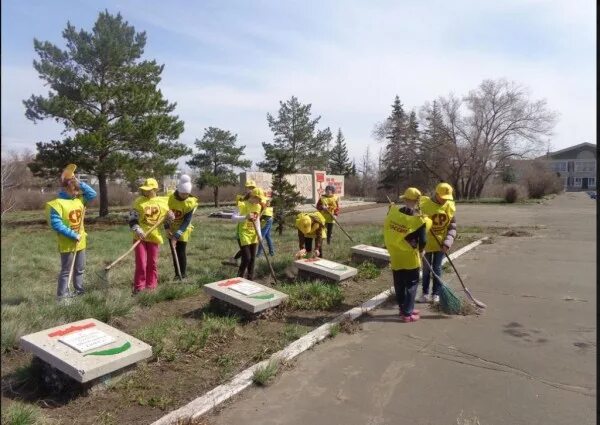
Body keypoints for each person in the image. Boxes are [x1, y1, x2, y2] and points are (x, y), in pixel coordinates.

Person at [46, 164, 97, 304]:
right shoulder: (57, 203)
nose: (76, 193)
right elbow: (57, 224)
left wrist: (78, 182)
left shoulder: (79, 200)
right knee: (66, 271)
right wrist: (73, 235)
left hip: (81, 242)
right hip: (68, 243)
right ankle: (62, 297)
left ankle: (79, 291)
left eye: (77, 191)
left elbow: (93, 194)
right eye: (74, 190)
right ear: (67, 188)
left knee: (80, 269)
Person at [383, 187, 430, 322]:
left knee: (399, 283)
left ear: (405, 199)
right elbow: (424, 240)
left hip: (395, 254)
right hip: (410, 256)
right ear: (418, 201)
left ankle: (402, 308)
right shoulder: (418, 219)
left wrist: (390, 210)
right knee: (412, 283)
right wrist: (422, 250)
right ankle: (407, 314)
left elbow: (387, 227)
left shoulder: (394, 213)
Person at [129, 178, 171, 294]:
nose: (147, 192)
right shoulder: (138, 202)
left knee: (152, 263)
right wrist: (137, 229)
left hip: (154, 237)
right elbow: (132, 220)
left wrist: (170, 218)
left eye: (149, 190)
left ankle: (151, 286)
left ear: (155, 189)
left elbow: (166, 220)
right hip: (140, 237)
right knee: (141, 263)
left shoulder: (163, 202)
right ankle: (139, 288)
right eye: (145, 190)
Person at [417, 182, 457, 304]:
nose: (445, 201)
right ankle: (425, 293)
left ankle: (436, 293)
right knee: (426, 270)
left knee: (437, 268)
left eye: (447, 198)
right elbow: (417, 225)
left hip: (441, 245)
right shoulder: (424, 206)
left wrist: (447, 243)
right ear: (437, 194)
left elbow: (452, 228)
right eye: (443, 198)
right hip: (426, 244)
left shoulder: (449, 207)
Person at [165, 175, 198, 279]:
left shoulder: (191, 202)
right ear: (178, 191)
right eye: (183, 193)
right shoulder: (170, 198)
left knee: (181, 251)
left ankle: (183, 274)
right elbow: (164, 214)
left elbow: (187, 220)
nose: (185, 196)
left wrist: (177, 235)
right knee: (174, 252)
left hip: (184, 228)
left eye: (187, 194)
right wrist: (167, 228)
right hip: (171, 227)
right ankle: (177, 275)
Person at [230, 187, 263, 279]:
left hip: (253, 234)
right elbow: (233, 218)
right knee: (247, 258)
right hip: (243, 234)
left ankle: (250, 278)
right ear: (253, 196)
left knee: (252, 258)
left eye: (260, 199)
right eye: (259, 199)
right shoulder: (242, 204)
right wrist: (245, 217)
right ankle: (239, 277)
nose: (260, 201)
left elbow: (257, 221)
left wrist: (259, 235)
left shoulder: (258, 206)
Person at [223, 179, 258, 266]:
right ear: (246, 188)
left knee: (251, 257)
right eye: (249, 188)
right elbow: (235, 217)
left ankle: (248, 275)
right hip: (242, 231)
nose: (251, 190)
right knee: (247, 256)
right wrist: (245, 217)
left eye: (252, 188)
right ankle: (236, 265)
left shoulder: (257, 202)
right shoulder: (240, 200)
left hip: (252, 231)